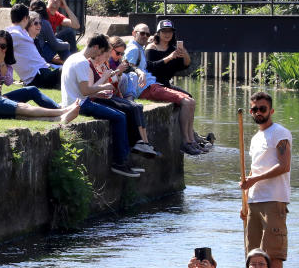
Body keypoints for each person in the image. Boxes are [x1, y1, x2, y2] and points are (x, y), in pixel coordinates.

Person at [61, 34, 141, 178]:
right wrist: (104, 86)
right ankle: (119, 162)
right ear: (96, 47)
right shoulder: (82, 62)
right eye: (101, 51)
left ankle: (124, 160)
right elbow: (85, 91)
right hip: (80, 104)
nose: (101, 55)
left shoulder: (73, 58)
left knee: (121, 115)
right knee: (120, 117)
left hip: (74, 101)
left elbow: (83, 89)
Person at [126, 23, 201, 155]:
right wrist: (139, 73)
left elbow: (184, 66)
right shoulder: (139, 49)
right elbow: (128, 66)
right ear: (134, 33)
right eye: (141, 33)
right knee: (187, 101)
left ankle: (191, 139)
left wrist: (184, 53)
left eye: (147, 34)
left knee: (190, 100)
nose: (145, 36)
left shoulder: (141, 48)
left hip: (155, 85)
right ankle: (186, 142)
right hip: (148, 87)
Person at [239, 91, 292, 268]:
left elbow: (284, 166)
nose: (258, 112)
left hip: (274, 199)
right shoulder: (255, 138)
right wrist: (244, 201)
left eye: (262, 109)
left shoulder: (279, 132)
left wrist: (255, 179)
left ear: (271, 110)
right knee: (252, 253)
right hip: (254, 200)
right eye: (254, 109)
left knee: (272, 251)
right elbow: (255, 170)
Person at [90, 38, 159, 158]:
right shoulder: (95, 63)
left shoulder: (105, 63)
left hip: (110, 94)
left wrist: (139, 72)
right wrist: (117, 73)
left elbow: (127, 70)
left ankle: (144, 143)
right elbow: (94, 88)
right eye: (117, 53)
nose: (120, 56)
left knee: (137, 106)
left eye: (122, 53)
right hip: (101, 97)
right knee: (126, 112)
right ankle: (133, 146)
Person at [6, 4, 62, 89]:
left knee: (69, 67)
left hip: (42, 74)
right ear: (25, 18)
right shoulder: (14, 34)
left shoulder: (19, 33)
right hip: (39, 77)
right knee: (71, 66)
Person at [145, 19, 191, 91]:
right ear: (158, 33)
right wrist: (169, 57)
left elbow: (185, 65)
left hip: (166, 84)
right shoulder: (152, 47)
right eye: (164, 31)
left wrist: (184, 51)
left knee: (189, 96)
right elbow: (150, 67)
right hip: (152, 84)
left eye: (170, 31)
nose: (167, 34)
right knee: (187, 101)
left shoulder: (173, 49)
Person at [29, 0, 70, 64]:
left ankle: (61, 60)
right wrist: (67, 45)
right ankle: (68, 63)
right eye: (36, 23)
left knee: (58, 40)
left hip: (31, 51)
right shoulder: (43, 22)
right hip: (38, 53)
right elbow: (55, 45)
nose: (38, 25)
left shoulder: (26, 20)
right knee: (61, 42)